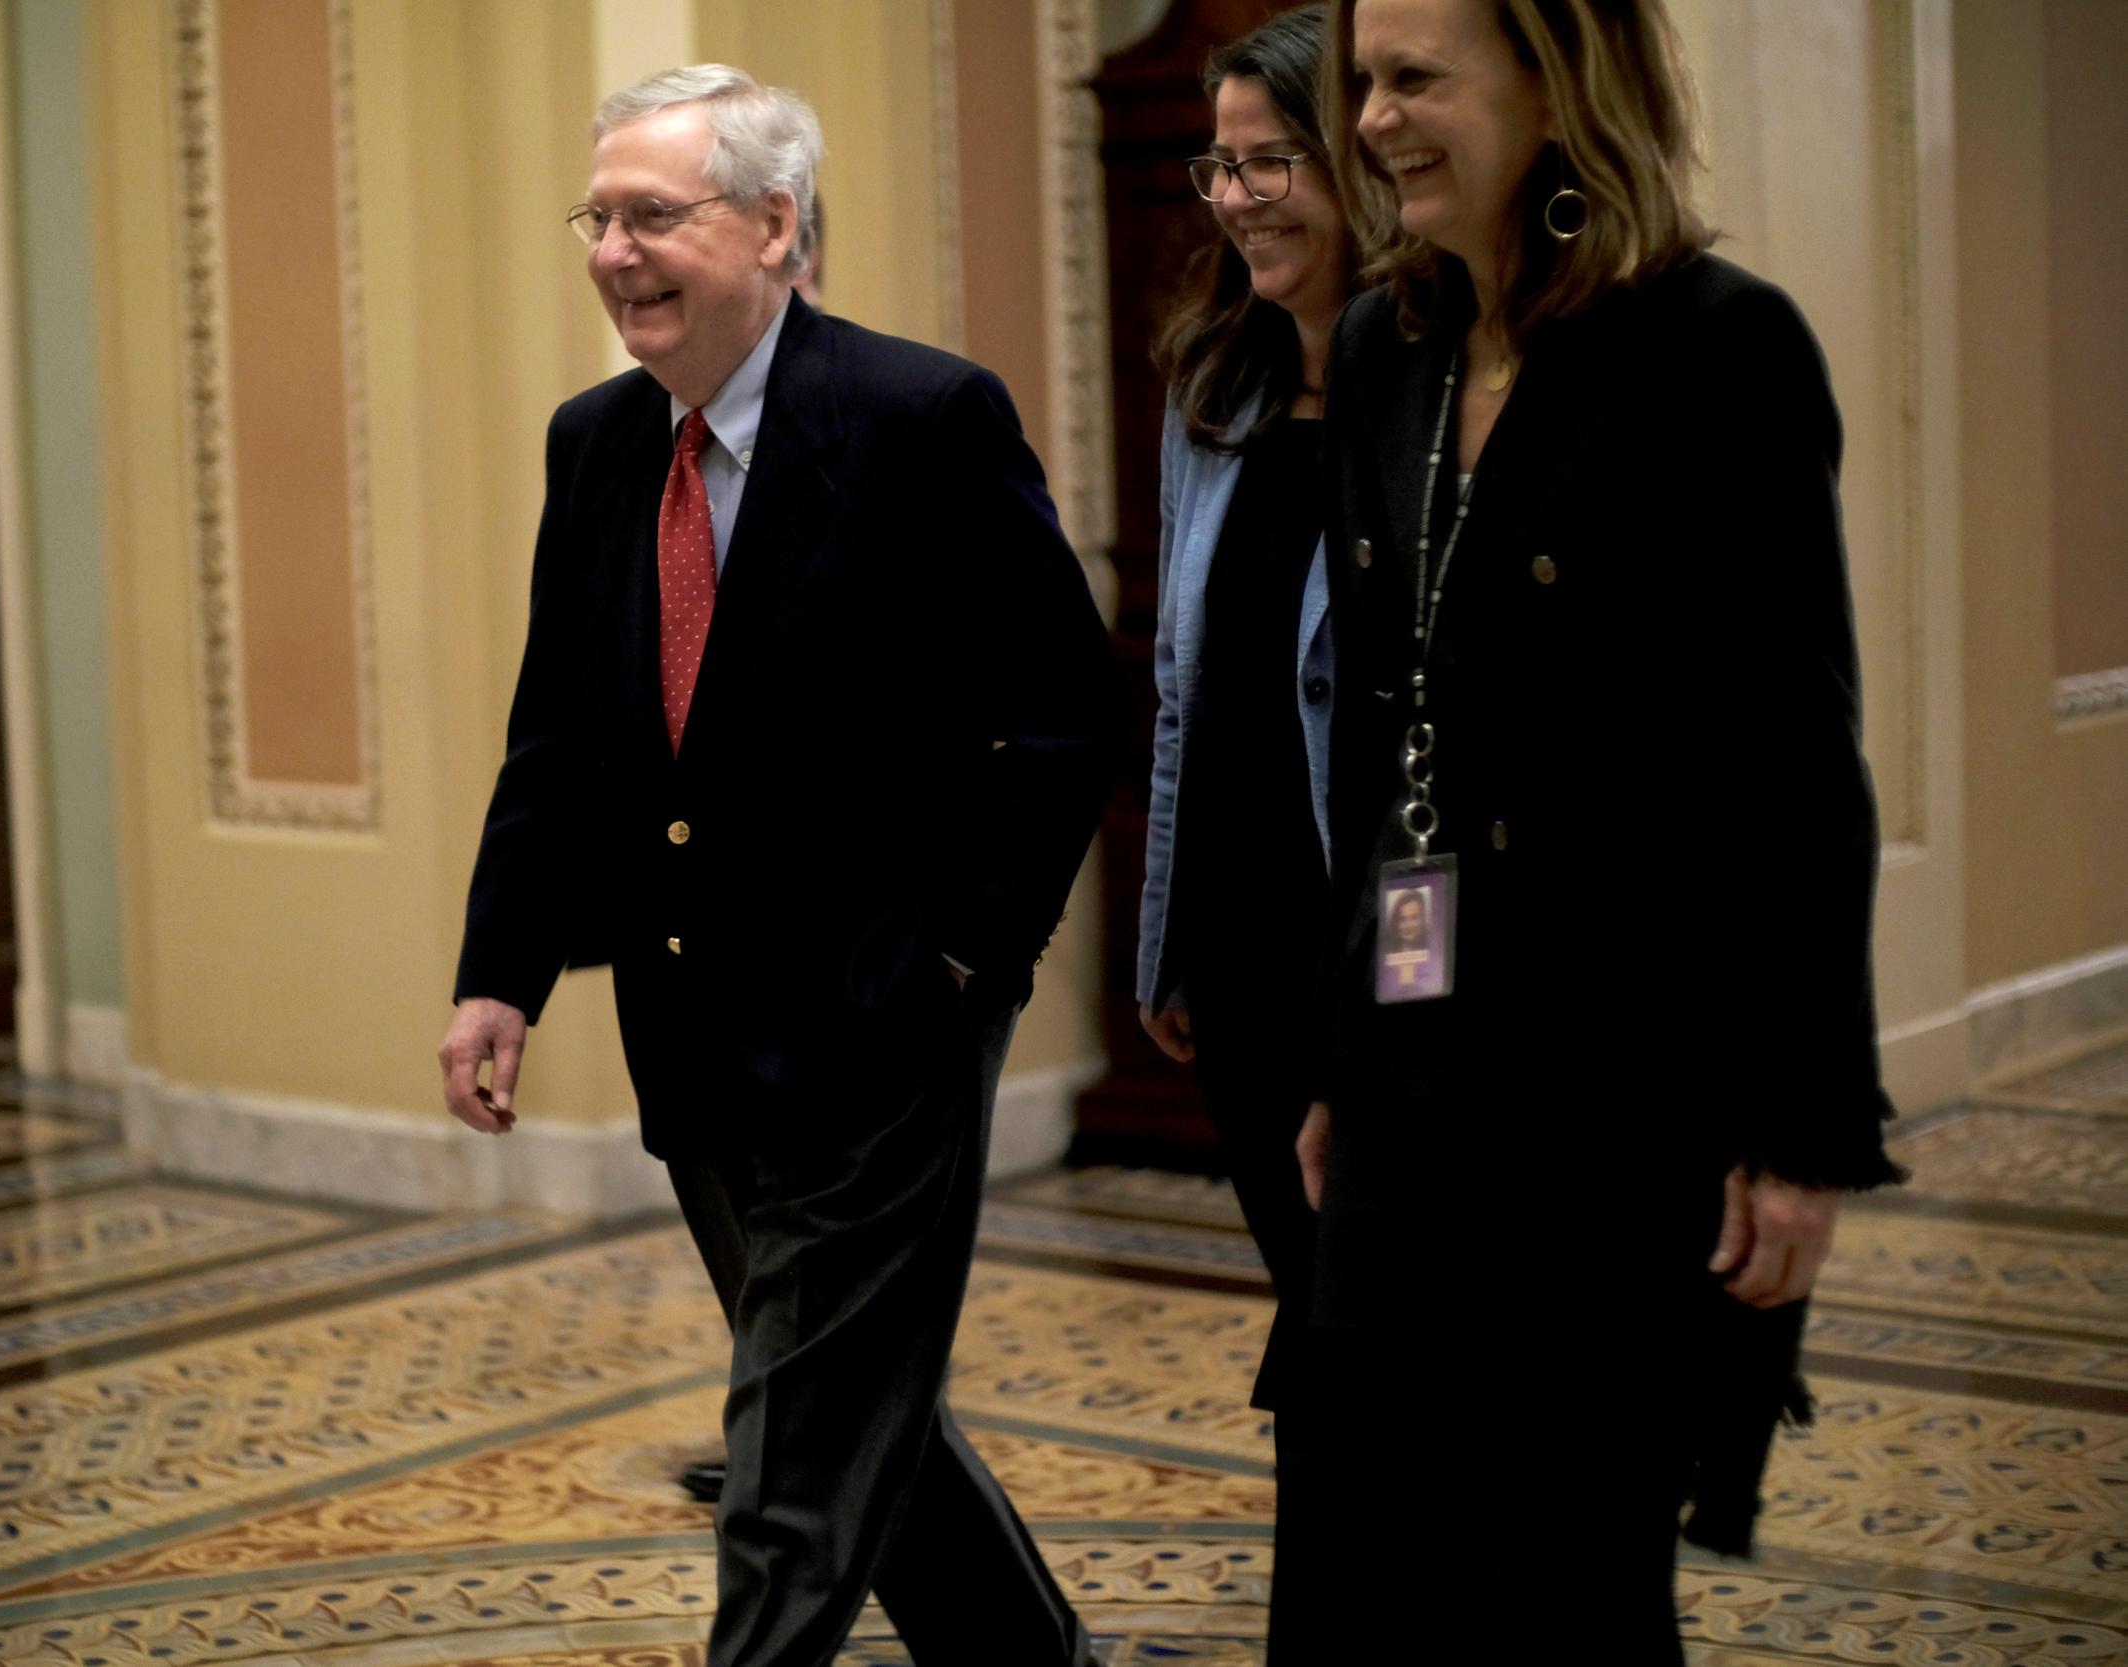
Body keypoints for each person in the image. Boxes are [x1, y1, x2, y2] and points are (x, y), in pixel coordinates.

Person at [437, 65, 1118, 1667]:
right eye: (597, 218)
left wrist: (968, 960)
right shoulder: (596, 445)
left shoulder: (917, 417)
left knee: (791, 1469)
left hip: (882, 1028)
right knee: (844, 1390)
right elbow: (561, 735)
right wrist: (499, 973)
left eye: (652, 216)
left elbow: (1072, 708)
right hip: (694, 1020)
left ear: (774, 226)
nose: (613, 251)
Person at [1274, 0, 1905, 1657]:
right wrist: (1344, 1047)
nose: (1377, 121)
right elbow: (1378, 743)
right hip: (1411, 1066)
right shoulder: (1381, 347)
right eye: (1363, 82)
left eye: (1417, 79)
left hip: (1619, 1088)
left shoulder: (1713, 348)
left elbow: (1794, 758)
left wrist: (1802, 1124)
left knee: (1561, 1586)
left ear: (1559, 86)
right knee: (1366, 1563)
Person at [1138, 5, 1349, 1294]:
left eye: (1269, 161)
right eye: (1219, 166)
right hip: (1239, 937)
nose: (1238, 198)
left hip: (1369, 931)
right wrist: (1169, 930)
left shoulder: (1447, 393)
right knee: (1303, 1276)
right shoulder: (1216, 389)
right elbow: (1184, 689)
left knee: (1376, 1319)